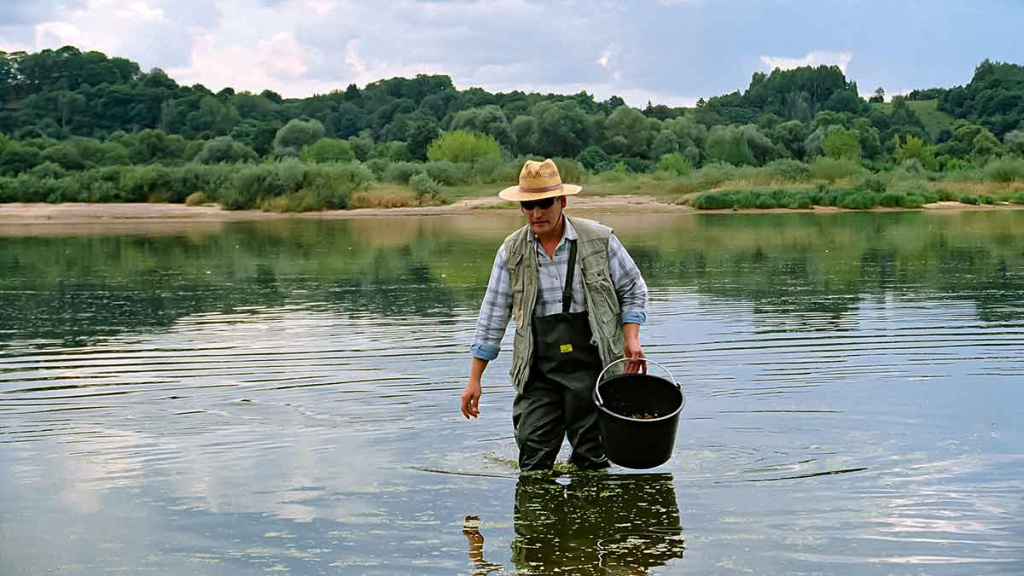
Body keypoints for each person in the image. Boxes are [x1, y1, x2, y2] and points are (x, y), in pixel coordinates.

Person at [460, 158, 649, 472]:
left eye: (545, 203)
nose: (536, 213)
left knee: (593, 462)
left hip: (595, 368)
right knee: (533, 456)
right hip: (539, 372)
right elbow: (492, 316)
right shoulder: (511, 251)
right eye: (528, 205)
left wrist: (632, 338)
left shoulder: (600, 240)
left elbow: (633, 288)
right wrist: (474, 380)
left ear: (562, 201)